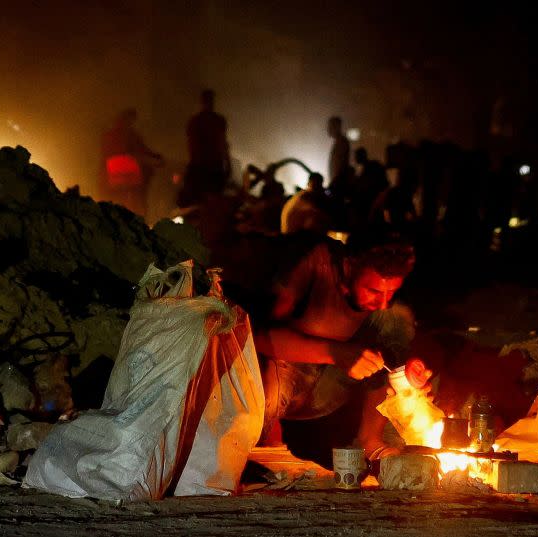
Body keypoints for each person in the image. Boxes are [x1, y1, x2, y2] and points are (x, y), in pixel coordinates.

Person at [254, 233, 433, 462]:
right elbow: (260, 336)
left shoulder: (386, 303)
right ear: (349, 267)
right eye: (374, 291)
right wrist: (335, 352)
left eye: (391, 292)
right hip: (280, 378)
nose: (383, 302)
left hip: (328, 389)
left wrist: (407, 374)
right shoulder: (316, 263)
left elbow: (395, 346)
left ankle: (370, 441)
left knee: (396, 318)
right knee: (259, 404)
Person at [99, 108, 164, 216]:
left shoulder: (112, 135)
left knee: (121, 200)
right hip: (125, 177)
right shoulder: (129, 135)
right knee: (133, 199)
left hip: (117, 178)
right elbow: (141, 149)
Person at [178, 89, 230, 207]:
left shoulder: (196, 121)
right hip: (211, 166)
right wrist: (227, 162)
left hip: (203, 166)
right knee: (212, 201)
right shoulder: (217, 121)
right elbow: (223, 143)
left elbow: (191, 145)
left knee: (200, 202)